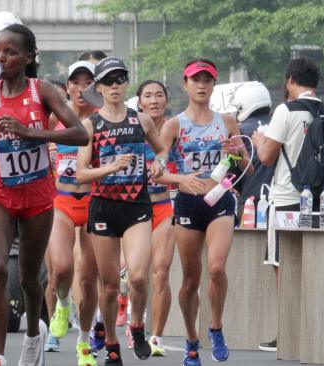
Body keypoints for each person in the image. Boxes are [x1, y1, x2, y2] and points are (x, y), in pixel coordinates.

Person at [0, 24, 88, 366]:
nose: (1, 57)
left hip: (37, 193)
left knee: (28, 277)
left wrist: (31, 132)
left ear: (27, 57)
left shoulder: (44, 91)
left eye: (9, 52)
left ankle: (34, 336)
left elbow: (80, 134)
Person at [157, 59, 250, 366]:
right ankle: (191, 340)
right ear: (185, 84)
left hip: (220, 199)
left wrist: (233, 151)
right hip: (187, 204)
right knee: (189, 281)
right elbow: (155, 171)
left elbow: (244, 161)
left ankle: (216, 327)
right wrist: (181, 178)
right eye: (195, 80)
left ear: (214, 85)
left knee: (217, 269)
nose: (201, 85)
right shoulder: (174, 125)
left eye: (207, 80)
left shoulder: (226, 121)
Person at [251, 57, 324, 352]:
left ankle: (289, 333)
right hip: (321, 201)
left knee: (283, 265)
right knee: (312, 266)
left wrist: (258, 140)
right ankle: (314, 332)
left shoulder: (286, 110)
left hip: (287, 201)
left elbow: (267, 157)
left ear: (290, 80)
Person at [77, 57, 167, 364]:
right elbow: (79, 173)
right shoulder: (91, 125)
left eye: (120, 79)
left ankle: (137, 325)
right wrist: (110, 167)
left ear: (126, 83)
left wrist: (159, 162)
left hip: (137, 206)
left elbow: (162, 148)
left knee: (140, 278)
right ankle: (112, 345)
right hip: (103, 208)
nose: (115, 85)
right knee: (111, 283)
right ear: (98, 88)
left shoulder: (140, 121)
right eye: (108, 80)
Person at [42, 60, 99, 366]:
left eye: (88, 82)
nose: (81, 88)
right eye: (75, 82)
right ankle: (62, 306)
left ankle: (84, 342)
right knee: (61, 269)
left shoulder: (104, 119)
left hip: (94, 203)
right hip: (61, 202)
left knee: (88, 278)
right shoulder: (53, 120)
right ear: (67, 88)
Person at [133, 79, 177, 357]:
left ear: (166, 101)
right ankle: (131, 317)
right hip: (132, 210)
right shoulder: (131, 129)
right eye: (148, 95)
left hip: (164, 208)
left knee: (160, 272)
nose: (154, 100)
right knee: (131, 277)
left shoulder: (175, 130)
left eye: (159, 95)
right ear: (139, 103)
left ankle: (156, 337)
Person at [232, 81, 275, 210]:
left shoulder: (240, 132)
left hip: (251, 203)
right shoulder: (280, 126)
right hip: (279, 201)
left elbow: (232, 175)